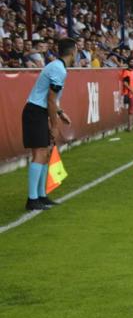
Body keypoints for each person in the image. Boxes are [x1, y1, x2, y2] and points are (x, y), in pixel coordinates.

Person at [21, 38, 75, 211]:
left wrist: (60, 112)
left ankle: (41, 196)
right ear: (73, 51)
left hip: (38, 111)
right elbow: (50, 99)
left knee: (44, 153)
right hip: (36, 112)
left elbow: (50, 98)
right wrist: (54, 125)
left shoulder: (56, 67)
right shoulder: (59, 69)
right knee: (40, 152)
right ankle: (32, 199)